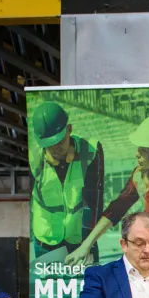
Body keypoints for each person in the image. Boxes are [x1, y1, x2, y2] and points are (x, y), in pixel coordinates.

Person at [66, 112, 149, 266]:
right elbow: (115, 209)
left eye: (143, 151)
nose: (136, 154)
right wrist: (85, 246)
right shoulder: (140, 178)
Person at [28, 101, 104, 262]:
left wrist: (88, 244)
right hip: (45, 240)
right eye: (49, 144)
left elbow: (94, 202)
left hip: (80, 239)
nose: (55, 148)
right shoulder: (32, 157)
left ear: (69, 129)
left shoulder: (90, 151)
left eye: (59, 140)